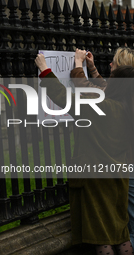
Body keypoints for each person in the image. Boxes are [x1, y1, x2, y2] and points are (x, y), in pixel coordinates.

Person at [35, 53, 134, 255]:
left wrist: (45, 70)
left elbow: (63, 97)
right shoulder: (127, 110)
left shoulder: (101, 108)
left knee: (101, 235)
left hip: (96, 179)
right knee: (120, 233)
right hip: (119, 178)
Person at [72, 47, 134, 248]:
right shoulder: (128, 97)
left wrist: (78, 65)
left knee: (119, 230)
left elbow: (91, 93)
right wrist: (94, 70)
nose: (110, 65)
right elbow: (109, 91)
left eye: (114, 64)